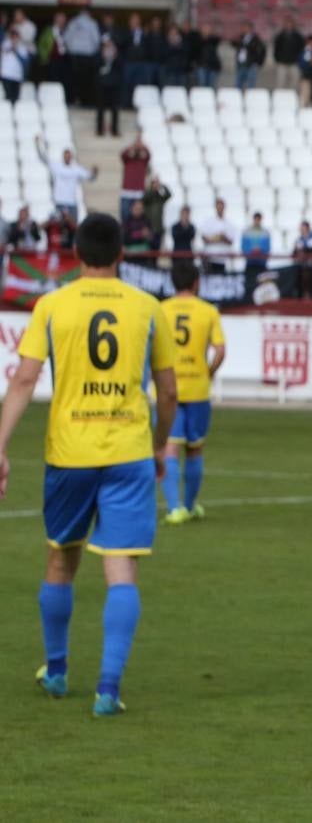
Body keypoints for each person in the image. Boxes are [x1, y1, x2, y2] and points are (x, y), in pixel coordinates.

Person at [0, 212, 177, 717]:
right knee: (120, 567)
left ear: (76, 254)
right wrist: (161, 444)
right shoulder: (147, 307)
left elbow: (23, 380)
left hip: (69, 453)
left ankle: (56, 671)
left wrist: (1, 446)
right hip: (128, 452)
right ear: (122, 254)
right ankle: (107, 689)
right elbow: (167, 390)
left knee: (61, 559)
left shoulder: (52, 304)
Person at [160, 262, 225, 526]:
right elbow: (220, 351)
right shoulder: (208, 311)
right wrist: (208, 372)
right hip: (197, 387)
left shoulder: (161, 310)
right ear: (196, 283)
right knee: (195, 449)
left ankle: (174, 509)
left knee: (170, 448)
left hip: (169, 387)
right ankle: (190, 505)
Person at [37, 139, 98, 221]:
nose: (67, 158)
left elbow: (91, 177)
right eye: (66, 155)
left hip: (72, 202)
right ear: (63, 156)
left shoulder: (76, 169)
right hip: (60, 202)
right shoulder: (57, 166)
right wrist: (37, 145)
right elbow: (43, 158)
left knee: (73, 227)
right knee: (60, 227)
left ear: (71, 157)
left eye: (69, 156)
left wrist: (95, 173)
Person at [63, 9, 102, 106]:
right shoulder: (92, 23)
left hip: (74, 55)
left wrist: (70, 50)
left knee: (74, 80)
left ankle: (74, 99)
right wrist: (93, 52)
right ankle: (85, 101)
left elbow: (66, 38)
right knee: (86, 81)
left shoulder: (73, 22)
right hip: (87, 56)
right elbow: (96, 40)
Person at [117, 13, 149, 107]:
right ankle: (125, 104)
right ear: (129, 22)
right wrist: (131, 32)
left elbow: (147, 46)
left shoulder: (144, 33)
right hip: (128, 63)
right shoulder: (125, 32)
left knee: (138, 85)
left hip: (140, 63)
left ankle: (135, 104)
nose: (134, 22)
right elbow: (121, 44)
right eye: (132, 20)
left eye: (136, 20)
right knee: (126, 84)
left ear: (139, 21)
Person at [119, 132, 152, 222]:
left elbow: (148, 154)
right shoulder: (128, 159)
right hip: (127, 191)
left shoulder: (143, 160)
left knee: (139, 217)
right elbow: (123, 154)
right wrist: (133, 146)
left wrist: (142, 146)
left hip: (138, 192)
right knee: (125, 216)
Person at [198, 198, 236, 275]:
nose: (220, 208)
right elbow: (204, 238)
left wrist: (223, 237)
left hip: (222, 260)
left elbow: (231, 241)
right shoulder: (209, 221)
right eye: (218, 206)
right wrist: (216, 238)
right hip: (210, 259)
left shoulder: (228, 223)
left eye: (221, 206)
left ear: (224, 207)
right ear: (215, 207)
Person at [37, 11, 70, 100]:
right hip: (52, 59)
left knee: (65, 81)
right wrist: (44, 57)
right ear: (55, 19)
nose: (61, 21)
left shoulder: (68, 30)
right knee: (52, 80)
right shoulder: (49, 30)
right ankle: (52, 99)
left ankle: (63, 99)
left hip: (65, 60)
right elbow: (41, 45)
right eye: (59, 19)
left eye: (62, 19)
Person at [95, 37, 122, 136]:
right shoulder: (99, 56)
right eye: (106, 45)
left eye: (110, 45)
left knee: (115, 108)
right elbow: (95, 66)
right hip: (102, 85)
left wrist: (115, 57)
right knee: (100, 108)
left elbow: (120, 68)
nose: (108, 47)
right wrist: (103, 57)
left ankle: (114, 130)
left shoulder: (117, 57)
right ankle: (99, 129)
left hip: (113, 85)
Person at [271, 16, 303, 90]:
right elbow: (276, 49)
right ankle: (279, 98)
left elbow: (301, 49)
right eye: (287, 24)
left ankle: (292, 97)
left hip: (294, 63)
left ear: (293, 24)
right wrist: (277, 59)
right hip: (282, 63)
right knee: (280, 82)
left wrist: (298, 60)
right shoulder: (280, 36)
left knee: (295, 82)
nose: (289, 25)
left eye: (290, 23)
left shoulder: (298, 36)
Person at [232, 22, 265, 90]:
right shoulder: (241, 37)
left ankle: (250, 99)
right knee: (238, 84)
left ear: (251, 28)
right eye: (244, 28)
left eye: (246, 27)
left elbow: (261, 50)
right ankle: (238, 98)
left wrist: (259, 62)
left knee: (251, 84)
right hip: (241, 64)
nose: (245, 29)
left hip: (251, 64)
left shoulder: (256, 39)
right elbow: (233, 44)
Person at [121, 200, 155, 264]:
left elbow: (152, 239)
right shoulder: (126, 222)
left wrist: (148, 235)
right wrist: (140, 234)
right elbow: (124, 238)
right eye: (136, 208)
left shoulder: (147, 221)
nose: (138, 211)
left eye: (140, 209)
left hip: (144, 256)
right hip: (130, 256)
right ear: (131, 208)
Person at [141, 176, 171, 250]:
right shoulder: (148, 195)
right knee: (148, 250)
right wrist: (152, 189)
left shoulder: (160, 198)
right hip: (149, 229)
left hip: (158, 229)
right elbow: (145, 198)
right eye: (154, 183)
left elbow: (168, 195)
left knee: (156, 250)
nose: (156, 185)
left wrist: (161, 185)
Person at [292, 220, 312, 298]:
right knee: (299, 284)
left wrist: (302, 250)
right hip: (301, 266)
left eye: (303, 228)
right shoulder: (298, 240)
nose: (301, 230)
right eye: (301, 228)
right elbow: (294, 252)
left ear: (307, 229)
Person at [1, 25, 29, 103]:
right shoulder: (5, 43)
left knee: (16, 98)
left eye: (16, 35)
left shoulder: (22, 47)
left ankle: (14, 113)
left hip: (17, 76)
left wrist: (16, 50)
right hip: (6, 75)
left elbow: (25, 61)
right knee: (8, 97)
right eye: (13, 35)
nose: (14, 37)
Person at [240, 211, 270, 278]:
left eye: (259, 219)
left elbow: (267, 248)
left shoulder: (266, 232)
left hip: (261, 262)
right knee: (250, 281)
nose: (257, 221)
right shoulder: (246, 232)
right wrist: (251, 251)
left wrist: (260, 250)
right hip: (250, 262)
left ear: (261, 220)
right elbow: (243, 247)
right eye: (256, 219)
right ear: (253, 219)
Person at [194, 23, 222, 89]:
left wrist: (209, 36)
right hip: (202, 65)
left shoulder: (213, 40)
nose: (207, 30)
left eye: (208, 29)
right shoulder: (198, 39)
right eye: (205, 29)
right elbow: (196, 48)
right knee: (202, 85)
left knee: (211, 86)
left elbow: (218, 39)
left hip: (213, 66)